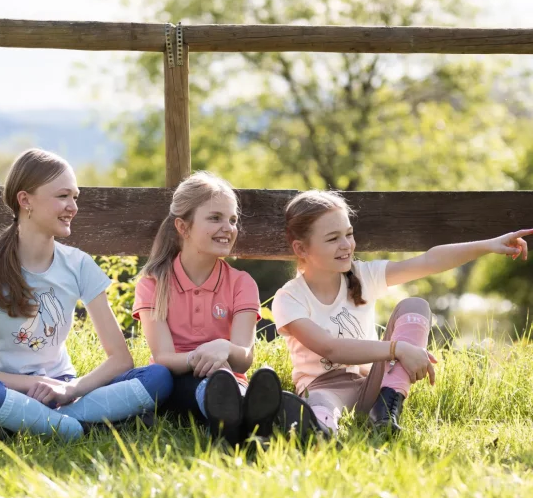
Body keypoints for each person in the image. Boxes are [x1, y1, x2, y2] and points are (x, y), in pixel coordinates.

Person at [0, 148, 172, 441]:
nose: (73, 207)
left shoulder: (78, 264)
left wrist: (71, 389)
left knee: (158, 378)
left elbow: (120, 360)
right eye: (63, 196)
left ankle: (40, 424)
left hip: (64, 390)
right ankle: (81, 426)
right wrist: (32, 384)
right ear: (25, 200)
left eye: (75, 197)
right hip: (6, 390)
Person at [272, 189, 532, 435]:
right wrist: (397, 349)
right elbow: (330, 348)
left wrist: (489, 245)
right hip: (325, 387)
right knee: (318, 402)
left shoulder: (363, 275)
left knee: (415, 306)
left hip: (372, 384)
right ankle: (318, 429)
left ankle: (387, 404)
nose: (346, 245)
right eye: (332, 238)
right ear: (301, 249)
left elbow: (429, 261)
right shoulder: (290, 297)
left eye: (349, 234)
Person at [133, 171, 312, 446]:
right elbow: (164, 357)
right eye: (215, 218)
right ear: (183, 227)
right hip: (176, 384)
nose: (228, 227)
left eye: (232, 220)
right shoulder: (154, 283)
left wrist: (225, 348)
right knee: (210, 385)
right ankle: (252, 420)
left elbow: (243, 358)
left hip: (232, 378)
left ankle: (237, 425)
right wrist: (201, 357)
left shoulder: (241, 283)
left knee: (228, 382)